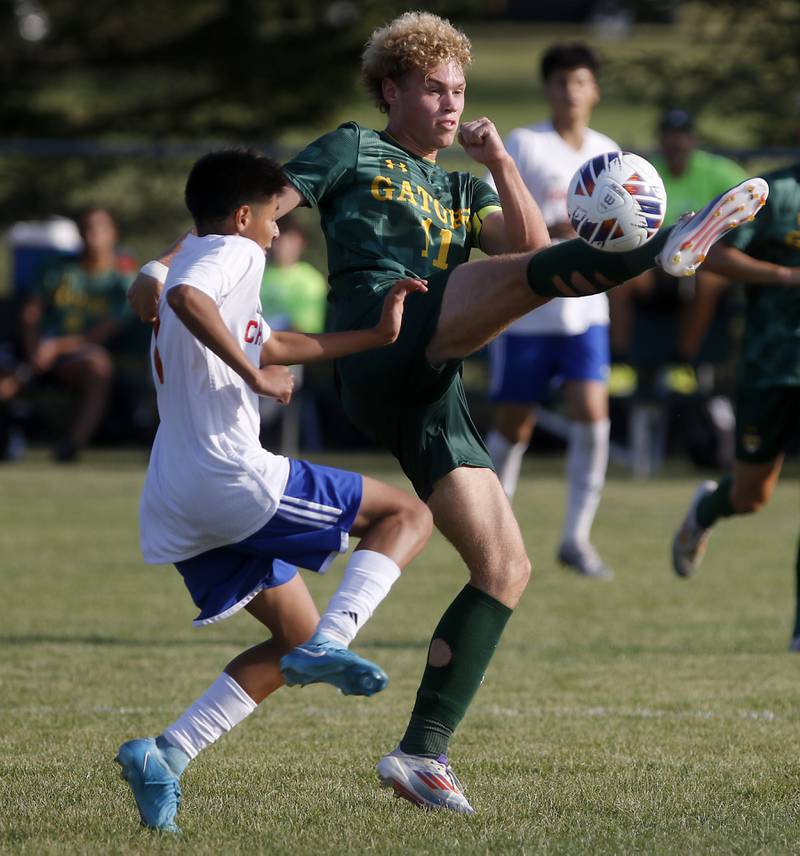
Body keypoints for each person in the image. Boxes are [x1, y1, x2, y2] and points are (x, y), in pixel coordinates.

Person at [127, 11, 767, 815]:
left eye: (459, 91)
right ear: (391, 89)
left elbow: (527, 251)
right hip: (382, 330)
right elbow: (248, 213)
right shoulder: (351, 148)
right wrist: (157, 266)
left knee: (505, 569)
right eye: (434, 89)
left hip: (433, 383)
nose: (451, 104)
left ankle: (420, 753)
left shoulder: (463, 185)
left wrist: (498, 160)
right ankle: (669, 244)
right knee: (466, 294)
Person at [116, 148, 435, 833]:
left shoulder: (203, 259)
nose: (277, 232)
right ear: (241, 215)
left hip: (175, 499)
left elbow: (267, 341)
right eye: (272, 217)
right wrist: (253, 379)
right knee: (406, 513)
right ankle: (336, 640)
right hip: (229, 477)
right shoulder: (233, 254)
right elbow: (184, 299)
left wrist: (375, 335)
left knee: (292, 637)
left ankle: (165, 755)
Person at [483, 43, 619, 579]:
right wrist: (551, 232)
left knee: (594, 415)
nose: (570, 92)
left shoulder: (609, 151)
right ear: (548, 89)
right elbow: (511, 217)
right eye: (561, 82)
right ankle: (493, 533)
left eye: (580, 81)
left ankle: (576, 538)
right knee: (515, 426)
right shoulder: (525, 143)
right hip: (531, 308)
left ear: (595, 90)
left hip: (587, 309)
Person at [671, 161, 800, 650]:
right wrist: (786, 275)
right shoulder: (776, 193)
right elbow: (713, 255)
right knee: (752, 495)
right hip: (771, 366)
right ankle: (707, 509)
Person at [609, 108, 747, 366]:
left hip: (699, 265)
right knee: (619, 281)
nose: (676, 143)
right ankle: (619, 362)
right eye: (669, 135)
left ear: (693, 140)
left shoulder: (716, 171)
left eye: (682, 135)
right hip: (651, 265)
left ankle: (683, 362)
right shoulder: (646, 174)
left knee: (710, 281)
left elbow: (749, 199)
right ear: (660, 140)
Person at [17, 207, 135, 461]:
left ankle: (71, 445)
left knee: (97, 366)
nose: (92, 237)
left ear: (113, 234)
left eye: (99, 230)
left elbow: (102, 332)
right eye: (86, 230)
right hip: (38, 350)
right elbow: (31, 311)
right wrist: (33, 348)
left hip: (76, 355)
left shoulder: (122, 277)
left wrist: (55, 348)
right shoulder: (57, 268)